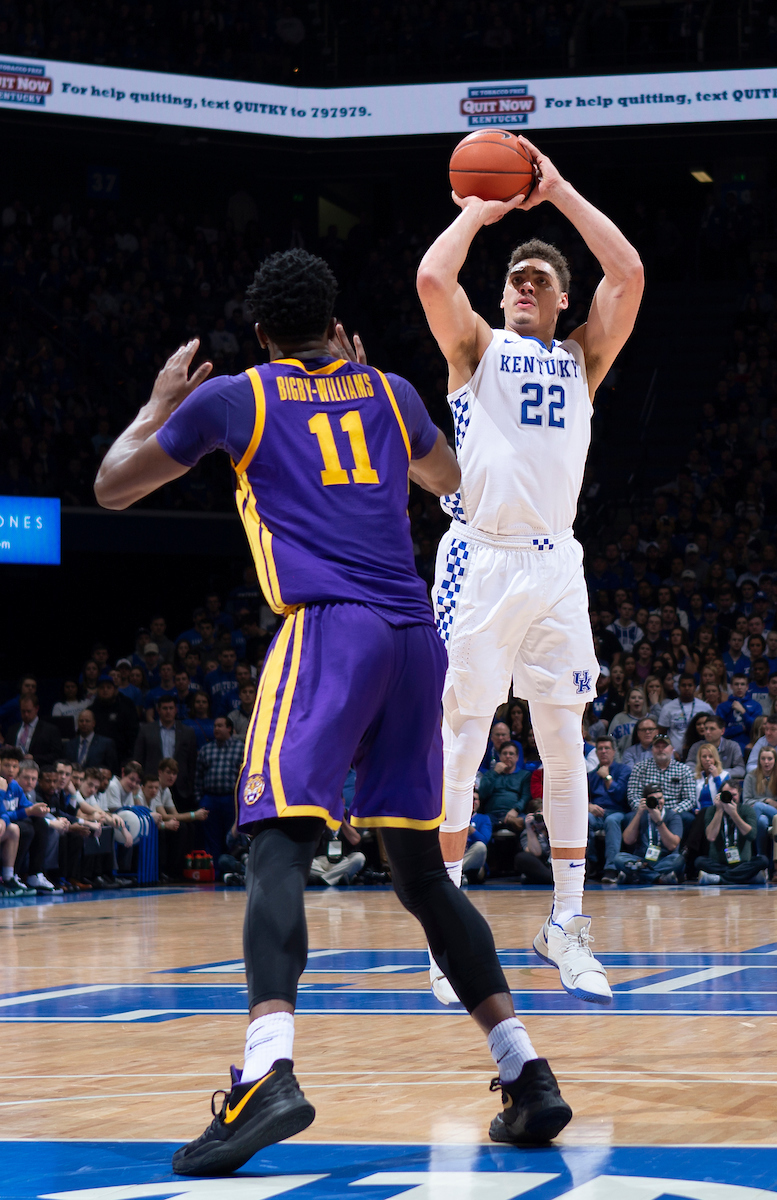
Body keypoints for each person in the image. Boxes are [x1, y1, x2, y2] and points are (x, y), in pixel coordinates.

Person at [95, 247, 573, 1169]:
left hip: (329, 632)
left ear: (265, 332)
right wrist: (362, 379)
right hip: (413, 640)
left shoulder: (238, 396)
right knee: (421, 877)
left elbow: (113, 486)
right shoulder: (390, 390)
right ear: (339, 324)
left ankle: (266, 1073)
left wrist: (158, 404)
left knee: (276, 839)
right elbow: (447, 482)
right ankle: (526, 1073)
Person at [417, 133, 643, 1006]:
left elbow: (625, 276)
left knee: (563, 742)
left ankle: (567, 923)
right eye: (514, 277)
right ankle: (450, 933)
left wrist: (556, 192)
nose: (521, 285)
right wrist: (483, 208)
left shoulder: (582, 358)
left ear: (559, 301)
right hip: (480, 559)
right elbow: (437, 281)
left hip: (556, 565)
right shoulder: (475, 351)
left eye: (537, 280)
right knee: (462, 741)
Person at [695, 780, 770, 885]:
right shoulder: (712, 810)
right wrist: (719, 811)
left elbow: (751, 835)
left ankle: (718, 879)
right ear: (720, 795)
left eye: (734, 795)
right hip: (719, 862)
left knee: (763, 860)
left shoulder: (747, 810)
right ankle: (748, 878)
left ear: (739, 794)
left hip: (742, 863)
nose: (731, 798)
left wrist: (734, 814)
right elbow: (711, 837)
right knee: (699, 861)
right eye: (727, 794)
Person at [614, 785, 686, 885]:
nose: (658, 802)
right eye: (653, 799)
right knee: (619, 858)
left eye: (660, 798)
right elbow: (628, 840)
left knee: (678, 860)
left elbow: (672, 845)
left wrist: (659, 822)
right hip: (641, 859)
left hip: (664, 859)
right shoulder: (640, 814)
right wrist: (639, 813)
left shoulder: (673, 816)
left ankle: (635, 876)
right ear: (645, 800)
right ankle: (660, 878)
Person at [134, 695, 198, 804]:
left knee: (179, 818)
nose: (168, 711)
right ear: (158, 710)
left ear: (176, 710)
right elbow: (139, 758)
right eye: (164, 708)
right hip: (153, 783)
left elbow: (192, 762)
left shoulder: (188, 732)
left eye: (171, 708)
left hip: (180, 786)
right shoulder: (146, 730)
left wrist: (190, 785)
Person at [626, 735, 696, 831]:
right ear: (652, 750)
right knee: (628, 818)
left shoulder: (684, 769)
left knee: (688, 818)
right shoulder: (639, 768)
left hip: (674, 810)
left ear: (672, 749)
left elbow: (690, 799)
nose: (660, 749)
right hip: (647, 810)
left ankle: (684, 846)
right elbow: (633, 795)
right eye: (657, 747)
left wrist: (673, 812)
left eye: (664, 747)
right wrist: (644, 809)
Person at [586, 735, 631, 884]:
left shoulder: (624, 770)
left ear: (613, 751)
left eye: (607, 748)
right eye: (600, 749)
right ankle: (590, 863)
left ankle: (611, 869)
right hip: (596, 813)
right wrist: (589, 806)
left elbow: (621, 796)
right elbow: (583, 798)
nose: (603, 751)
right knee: (585, 819)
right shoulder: (591, 775)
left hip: (617, 811)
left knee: (612, 821)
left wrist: (607, 777)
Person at [657, 673, 714, 757]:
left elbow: (713, 729)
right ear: (678, 687)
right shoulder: (668, 708)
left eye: (690, 685)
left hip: (701, 754)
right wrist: (671, 750)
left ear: (695, 687)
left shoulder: (705, 707)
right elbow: (662, 734)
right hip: (675, 755)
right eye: (683, 685)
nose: (687, 688)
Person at [742, 745, 777, 859]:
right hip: (758, 814)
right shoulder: (751, 776)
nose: (766, 762)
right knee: (761, 821)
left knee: (758, 806)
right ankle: (762, 858)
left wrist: (762, 804)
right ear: (759, 760)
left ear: (775, 760)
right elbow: (746, 801)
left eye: (770, 759)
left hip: (775, 813)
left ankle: (752, 850)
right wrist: (766, 800)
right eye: (763, 759)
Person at [685, 714, 745, 781]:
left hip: (724, 783)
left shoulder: (732, 746)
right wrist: (703, 773)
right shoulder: (696, 746)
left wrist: (718, 772)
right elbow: (688, 766)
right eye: (706, 728)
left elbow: (740, 770)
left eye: (712, 729)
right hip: (702, 781)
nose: (707, 732)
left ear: (722, 731)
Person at [7, 695, 63, 764]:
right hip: (13, 768)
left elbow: (57, 755)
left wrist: (34, 758)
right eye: (23, 711)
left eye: (29, 711)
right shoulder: (12, 729)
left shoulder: (50, 730)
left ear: (36, 709)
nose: (26, 714)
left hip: (38, 768)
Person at [65, 707, 119, 773]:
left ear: (93, 723)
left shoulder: (106, 743)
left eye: (87, 721)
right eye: (81, 721)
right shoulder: (69, 744)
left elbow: (112, 768)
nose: (84, 723)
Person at [717, 673, 762, 751]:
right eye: (736, 684)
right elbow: (720, 731)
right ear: (731, 686)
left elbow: (756, 729)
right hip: (727, 746)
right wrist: (741, 728)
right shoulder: (722, 707)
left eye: (742, 684)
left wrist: (744, 712)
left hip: (750, 745)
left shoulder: (755, 705)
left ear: (747, 687)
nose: (739, 687)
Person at [513, 797, 552, 885]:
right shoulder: (527, 832)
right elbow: (536, 853)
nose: (541, 819)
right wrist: (529, 828)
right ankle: (551, 879)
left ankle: (548, 878)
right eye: (537, 815)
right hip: (538, 865)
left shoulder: (554, 830)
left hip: (553, 865)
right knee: (521, 857)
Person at [607, 686, 646, 758]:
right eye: (633, 698)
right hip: (622, 762)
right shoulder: (619, 718)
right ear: (628, 702)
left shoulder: (651, 719)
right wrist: (618, 762)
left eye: (640, 698)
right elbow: (611, 741)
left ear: (644, 701)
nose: (637, 700)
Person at [694, 743, 730, 811]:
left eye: (710, 756)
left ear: (715, 758)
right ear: (700, 759)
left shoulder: (724, 775)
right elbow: (691, 799)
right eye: (704, 756)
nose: (707, 759)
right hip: (699, 812)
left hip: (717, 811)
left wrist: (716, 777)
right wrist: (694, 810)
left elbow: (725, 797)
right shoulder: (696, 777)